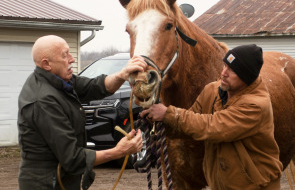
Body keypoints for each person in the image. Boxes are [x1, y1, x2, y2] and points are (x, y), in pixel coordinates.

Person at [140, 44, 283, 190]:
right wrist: (158, 120)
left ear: (246, 77)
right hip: (222, 184)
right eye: (225, 66)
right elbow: (188, 126)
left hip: (254, 185)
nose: (223, 73)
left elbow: (213, 127)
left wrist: (168, 113)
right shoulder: (212, 91)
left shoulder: (256, 105)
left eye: (232, 70)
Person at [18, 35, 146, 190]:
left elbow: (95, 86)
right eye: (65, 55)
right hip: (47, 184)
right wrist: (119, 151)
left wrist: (122, 74)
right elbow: (73, 158)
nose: (72, 59)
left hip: (63, 180)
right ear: (46, 64)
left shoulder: (61, 81)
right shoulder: (43, 101)